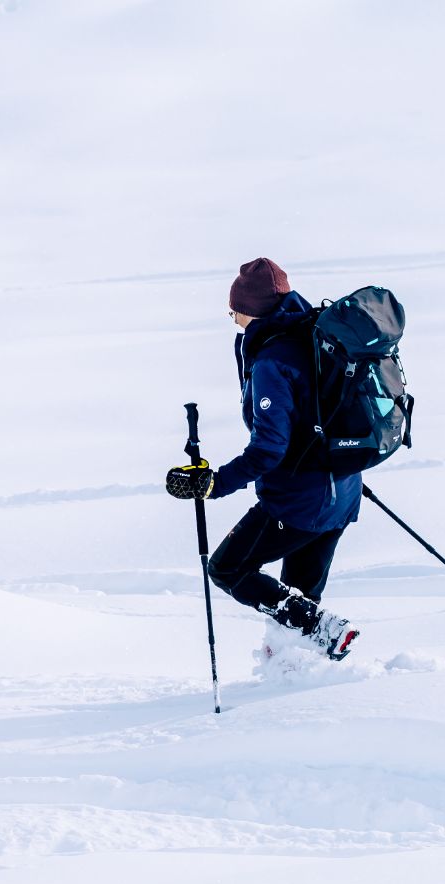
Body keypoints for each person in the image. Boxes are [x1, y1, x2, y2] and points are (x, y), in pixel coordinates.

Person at [166, 257, 360, 660]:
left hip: (300, 501)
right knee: (297, 602)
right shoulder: (313, 334)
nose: (233, 319)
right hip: (341, 491)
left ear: (250, 309)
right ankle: (296, 672)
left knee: (227, 568)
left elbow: (269, 448)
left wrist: (215, 483)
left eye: (233, 310)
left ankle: (322, 635)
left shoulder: (273, 360)